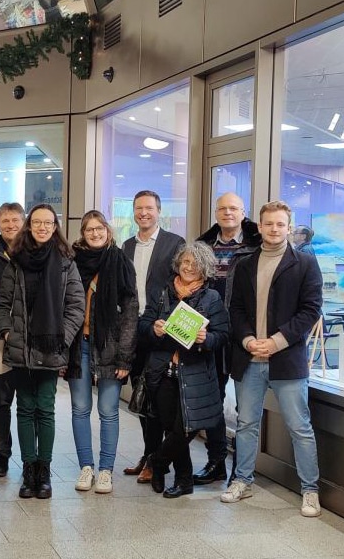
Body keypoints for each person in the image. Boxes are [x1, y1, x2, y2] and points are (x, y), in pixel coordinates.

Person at [222, 200, 324, 518]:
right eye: (269, 224)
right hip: (249, 356)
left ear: (289, 227)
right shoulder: (245, 263)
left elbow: (310, 310)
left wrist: (276, 342)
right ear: (260, 227)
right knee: (246, 424)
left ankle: (310, 490)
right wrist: (249, 340)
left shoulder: (305, 264)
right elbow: (235, 308)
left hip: (287, 358)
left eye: (281, 224)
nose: (275, 229)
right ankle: (242, 481)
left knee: (299, 427)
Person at [0, 203, 85, 500]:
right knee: (24, 409)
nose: (43, 227)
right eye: (37, 223)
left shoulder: (66, 263)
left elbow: (75, 307)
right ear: (29, 226)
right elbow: (2, 304)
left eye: (48, 223)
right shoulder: (15, 261)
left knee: (45, 409)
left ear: (55, 226)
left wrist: (63, 338)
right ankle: (28, 469)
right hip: (20, 348)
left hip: (51, 347)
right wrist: (7, 332)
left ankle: (43, 471)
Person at [138, 242, 230, 498]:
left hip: (196, 373)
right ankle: (184, 479)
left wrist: (205, 339)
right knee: (171, 427)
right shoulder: (163, 293)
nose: (189, 267)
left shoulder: (211, 298)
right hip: (164, 371)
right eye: (185, 262)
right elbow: (143, 325)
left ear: (205, 269)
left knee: (185, 429)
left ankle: (157, 461)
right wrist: (152, 329)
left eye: (195, 263)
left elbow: (223, 335)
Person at [192, 192, 261, 485]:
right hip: (211, 334)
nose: (228, 213)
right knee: (212, 400)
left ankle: (242, 471)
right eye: (222, 208)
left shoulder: (257, 245)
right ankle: (217, 462)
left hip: (247, 334)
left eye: (233, 208)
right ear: (216, 212)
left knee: (246, 406)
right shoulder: (203, 245)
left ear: (243, 212)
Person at [69, 210, 138, 494]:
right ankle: (86, 467)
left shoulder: (121, 261)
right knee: (80, 409)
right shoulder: (73, 263)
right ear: (83, 234)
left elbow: (131, 313)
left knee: (109, 411)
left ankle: (106, 470)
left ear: (108, 231)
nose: (95, 233)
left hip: (111, 347)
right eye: (89, 230)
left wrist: (125, 357)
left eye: (99, 229)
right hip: (79, 346)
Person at [120, 191, 185, 484]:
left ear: (159, 211)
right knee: (142, 397)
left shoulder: (175, 244)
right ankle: (148, 455)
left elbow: (181, 285)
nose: (143, 213)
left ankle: (158, 461)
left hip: (161, 333)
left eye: (149, 208)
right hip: (135, 331)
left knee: (161, 401)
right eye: (138, 208)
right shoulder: (127, 246)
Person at [0, 202, 25, 477]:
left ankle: (32, 458)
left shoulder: (36, 253)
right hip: (0, 338)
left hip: (30, 339)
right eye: (5, 221)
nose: (10, 225)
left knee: (28, 403)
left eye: (15, 220)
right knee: (1, 401)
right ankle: (2, 454)